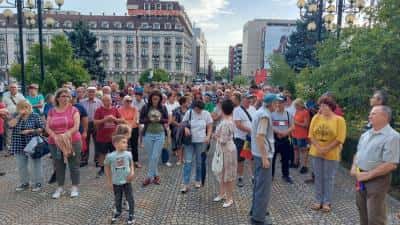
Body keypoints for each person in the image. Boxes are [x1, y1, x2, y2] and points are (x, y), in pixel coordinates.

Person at [350, 105, 400, 225]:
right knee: (362, 210)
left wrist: (367, 175)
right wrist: (353, 167)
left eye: (373, 114)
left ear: (384, 117)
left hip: (377, 180)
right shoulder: (366, 134)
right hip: (360, 177)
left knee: (375, 216)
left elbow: (391, 164)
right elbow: (358, 153)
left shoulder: (393, 137)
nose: (369, 116)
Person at [309, 95, 346, 212]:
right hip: (316, 152)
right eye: (320, 106)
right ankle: (318, 200)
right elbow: (311, 135)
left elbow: (340, 138)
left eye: (324, 106)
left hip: (331, 153)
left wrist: (326, 149)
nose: (321, 108)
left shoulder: (339, 120)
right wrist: (319, 148)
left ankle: (327, 202)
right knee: (318, 177)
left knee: (328, 178)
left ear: (330, 107)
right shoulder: (316, 118)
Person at [46, 88, 82, 199]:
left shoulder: (74, 110)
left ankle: (74, 186)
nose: (65, 98)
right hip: (55, 142)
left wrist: (65, 135)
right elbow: (47, 127)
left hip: (72, 141)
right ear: (57, 98)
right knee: (58, 165)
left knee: (73, 164)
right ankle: (60, 187)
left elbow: (76, 126)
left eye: (67, 96)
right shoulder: (52, 111)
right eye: (63, 96)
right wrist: (55, 137)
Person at [250, 94, 278, 225]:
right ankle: (258, 218)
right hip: (262, 155)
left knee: (258, 185)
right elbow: (260, 137)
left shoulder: (259, 112)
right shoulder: (264, 115)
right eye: (276, 103)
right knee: (263, 187)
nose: (277, 106)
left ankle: (256, 211)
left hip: (258, 154)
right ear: (271, 104)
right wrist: (265, 157)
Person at [8, 100, 45, 192]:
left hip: (32, 144)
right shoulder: (16, 116)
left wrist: (30, 131)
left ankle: (38, 183)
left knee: (35, 164)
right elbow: (10, 125)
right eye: (21, 107)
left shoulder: (34, 116)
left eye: (25, 107)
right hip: (18, 144)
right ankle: (24, 183)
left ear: (29, 107)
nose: (23, 109)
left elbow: (42, 128)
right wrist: (19, 116)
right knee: (21, 165)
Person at [180, 100, 213, 193]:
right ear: (193, 107)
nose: (198, 111)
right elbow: (183, 123)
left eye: (200, 110)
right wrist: (186, 128)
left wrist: (208, 136)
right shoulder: (189, 112)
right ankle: (185, 183)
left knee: (199, 162)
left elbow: (210, 126)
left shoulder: (206, 114)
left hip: (201, 141)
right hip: (189, 141)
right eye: (197, 109)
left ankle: (198, 180)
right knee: (188, 162)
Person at [140, 90, 169, 186]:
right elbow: (141, 120)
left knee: (155, 156)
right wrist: (149, 119)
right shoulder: (145, 107)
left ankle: (149, 177)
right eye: (153, 99)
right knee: (151, 157)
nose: (155, 100)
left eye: (157, 99)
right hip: (148, 134)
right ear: (151, 99)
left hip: (160, 134)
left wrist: (159, 119)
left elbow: (166, 119)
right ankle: (156, 176)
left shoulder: (163, 107)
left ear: (160, 99)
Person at [104, 134, 135, 225]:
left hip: (127, 181)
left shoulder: (128, 154)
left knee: (130, 198)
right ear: (116, 144)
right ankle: (118, 211)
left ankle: (131, 214)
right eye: (124, 142)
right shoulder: (110, 156)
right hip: (116, 182)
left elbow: (131, 163)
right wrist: (109, 181)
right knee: (118, 198)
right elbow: (106, 167)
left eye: (126, 142)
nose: (126, 144)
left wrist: (132, 172)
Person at [212, 99, 237, 208]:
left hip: (227, 150)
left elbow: (223, 140)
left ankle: (229, 198)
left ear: (222, 109)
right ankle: (222, 194)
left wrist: (214, 136)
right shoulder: (227, 120)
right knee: (221, 172)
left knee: (228, 174)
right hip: (223, 149)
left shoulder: (227, 122)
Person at [94, 94, 123, 177]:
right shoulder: (99, 110)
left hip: (114, 137)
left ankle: (116, 168)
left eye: (109, 100)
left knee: (115, 153)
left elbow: (121, 120)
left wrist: (114, 119)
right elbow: (95, 122)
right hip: (102, 136)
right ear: (102, 101)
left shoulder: (115, 109)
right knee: (102, 153)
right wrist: (105, 120)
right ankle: (102, 169)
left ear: (111, 100)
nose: (108, 102)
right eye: (105, 100)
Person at [271, 95, 294, 184]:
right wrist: (278, 132)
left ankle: (286, 175)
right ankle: (271, 175)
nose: (278, 104)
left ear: (284, 103)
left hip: (285, 139)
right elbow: (270, 125)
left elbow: (292, 126)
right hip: (275, 139)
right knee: (272, 158)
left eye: (280, 102)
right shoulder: (272, 114)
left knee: (285, 159)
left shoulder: (288, 114)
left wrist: (285, 133)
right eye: (277, 102)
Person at [232, 92, 252, 187]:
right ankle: (240, 177)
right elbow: (238, 125)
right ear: (243, 99)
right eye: (248, 98)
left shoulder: (253, 109)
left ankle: (253, 176)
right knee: (240, 159)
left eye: (251, 98)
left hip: (250, 139)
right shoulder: (237, 110)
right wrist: (251, 130)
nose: (249, 100)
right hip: (240, 139)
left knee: (251, 157)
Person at [80, 87, 103, 167]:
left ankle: (97, 160)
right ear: (87, 92)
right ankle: (84, 159)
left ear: (95, 93)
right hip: (85, 123)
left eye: (93, 92)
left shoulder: (99, 102)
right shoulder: (82, 102)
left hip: (96, 123)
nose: (91, 93)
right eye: (89, 92)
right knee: (85, 142)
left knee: (97, 142)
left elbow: (101, 113)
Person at [118, 96, 141, 168]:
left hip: (133, 128)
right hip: (124, 129)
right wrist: (128, 126)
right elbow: (122, 119)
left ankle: (135, 161)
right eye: (127, 101)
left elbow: (135, 118)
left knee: (134, 145)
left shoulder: (134, 109)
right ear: (124, 101)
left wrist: (130, 126)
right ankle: (123, 162)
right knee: (123, 145)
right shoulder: (120, 109)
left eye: (130, 101)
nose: (129, 102)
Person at [3, 83, 25, 153]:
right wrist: (6, 115)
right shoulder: (5, 95)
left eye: (15, 87)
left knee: (19, 131)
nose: (13, 89)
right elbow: (3, 106)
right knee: (9, 133)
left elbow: (25, 106)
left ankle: (20, 147)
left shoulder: (21, 96)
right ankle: (9, 149)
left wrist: (20, 114)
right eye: (11, 87)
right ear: (9, 89)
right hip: (8, 115)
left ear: (17, 88)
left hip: (19, 115)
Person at [292, 98, 311, 174]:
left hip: (302, 135)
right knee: (295, 148)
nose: (295, 107)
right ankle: (296, 162)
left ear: (300, 105)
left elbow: (306, 125)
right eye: (295, 105)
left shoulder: (305, 112)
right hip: (295, 133)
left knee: (303, 150)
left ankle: (304, 166)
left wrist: (296, 122)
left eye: (296, 105)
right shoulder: (297, 111)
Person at [171, 96, 190, 165]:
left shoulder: (189, 110)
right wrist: (181, 126)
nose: (189, 103)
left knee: (184, 144)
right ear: (183, 102)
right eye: (187, 102)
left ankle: (183, 158)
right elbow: (173, 121)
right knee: (179, 144)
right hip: (178, 128)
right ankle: (179, 159)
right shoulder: (176, 110)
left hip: (187, 129)